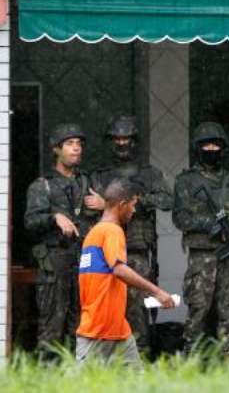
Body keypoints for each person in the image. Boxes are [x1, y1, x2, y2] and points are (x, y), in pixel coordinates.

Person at [91, 115, 173, 353]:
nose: (122, 143)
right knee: (106, 308)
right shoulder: (100, 175)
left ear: (134, 141)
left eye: (126, 138)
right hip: (105, 253)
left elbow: (167, 200)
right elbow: (87, 208)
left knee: (137, 312)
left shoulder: (149, 174)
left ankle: (140, 359)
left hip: (136, 251)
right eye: (117, 138)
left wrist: (133, 201)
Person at [173, 122, 229, 356]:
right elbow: (180, 217)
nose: (211, 150)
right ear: (197, 149)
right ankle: (191, 356)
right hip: (202, 256)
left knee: (228, 310)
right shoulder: (186, 181)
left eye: (216, 145)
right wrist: (210, 225)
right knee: (198, 308)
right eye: (206, 145)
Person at [24, 123, 104, 354]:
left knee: (82, 324)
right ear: (56, 149)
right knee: (52, 325)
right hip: (55, 264)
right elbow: (30, 223)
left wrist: (104, 204)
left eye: (79, 144)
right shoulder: (43, 186)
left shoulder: (88, 183)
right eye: (70, 144)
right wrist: (54, 217)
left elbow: (117, 211)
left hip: (85, 262)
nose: (76, 148)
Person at [77, 178, 175, 366]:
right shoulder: (112, 231)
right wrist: (157, 292)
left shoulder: (94, 233)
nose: (134, 210)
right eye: (133, 204)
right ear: (122, 205)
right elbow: (119, 269)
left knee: (136, 383)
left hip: (118, 330)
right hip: (98, 331)